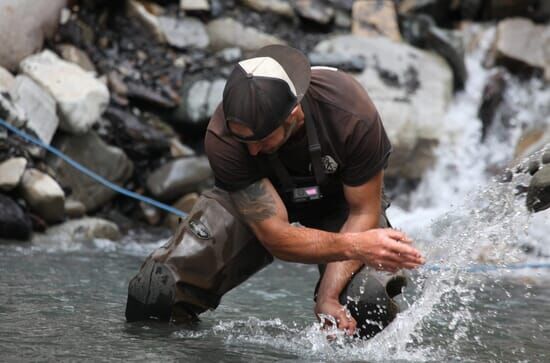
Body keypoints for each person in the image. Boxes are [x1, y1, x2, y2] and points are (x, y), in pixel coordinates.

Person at [125, 44, 424, 338]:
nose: (252, 150)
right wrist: (357, 246)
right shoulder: (225, 136)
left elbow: (362, 212)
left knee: (368, 301)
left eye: (262, 139)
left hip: (341, 205)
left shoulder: (350, 113)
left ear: (293, 115)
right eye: (245, 141)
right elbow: (277, 238)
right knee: (155, 291)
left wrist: (328, 297)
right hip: (255, 204)